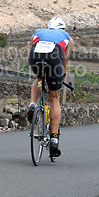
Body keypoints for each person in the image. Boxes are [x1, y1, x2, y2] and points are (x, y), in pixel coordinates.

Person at [27, 17, 73, 158]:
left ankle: (33, 105)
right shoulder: (68, 38)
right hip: (54, 60)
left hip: (35, 57)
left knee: (40, 79)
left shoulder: (38, 32)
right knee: (54, 97)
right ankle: (53, 140)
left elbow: (32, 47)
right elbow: (64, 59)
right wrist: (62, 74)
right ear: (63, 29)